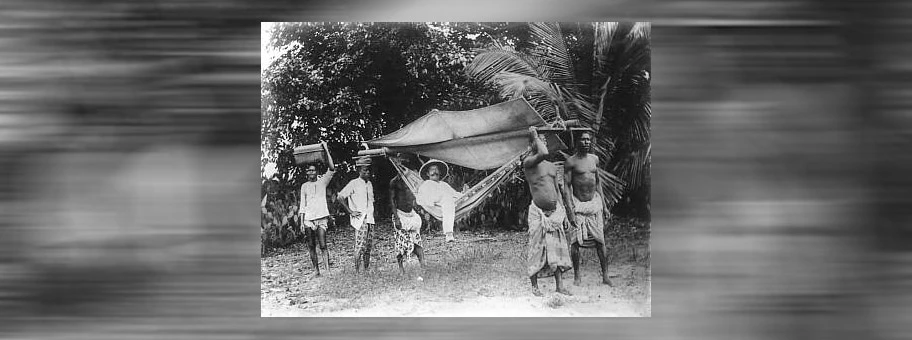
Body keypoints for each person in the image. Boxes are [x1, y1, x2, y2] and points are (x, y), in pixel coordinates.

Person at [522, 126, 572, 296]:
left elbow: (557, 190)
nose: (543, 143)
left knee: (557, 248)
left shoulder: (551, 166)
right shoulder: (528, 162)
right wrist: (535, 136)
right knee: (537, 248)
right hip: (538, 213)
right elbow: (542, 152)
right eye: (540, 141)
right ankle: (535, 287)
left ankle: (559, 286)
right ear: (533, 144)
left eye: (545, 141)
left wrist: (563, 212)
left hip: (555, 211)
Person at [563, 131, 613, 286]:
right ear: (577, 142)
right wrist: (570, 210)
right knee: (575, 243)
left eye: (588, 140)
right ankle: (577, 276)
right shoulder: (571, 162)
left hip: (594, 205)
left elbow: (598, 183)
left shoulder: (594, 159)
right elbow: (566, 187)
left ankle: (605, 276)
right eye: (583, 140)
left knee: (600, 242)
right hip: (578, 206)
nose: (586, 142)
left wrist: (604, 206)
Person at [298, 146, 336, 276]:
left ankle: (327, 270)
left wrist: (326, 149)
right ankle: (316, 270)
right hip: (309, 219)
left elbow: (332, 168)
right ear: (306, 173)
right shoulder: (304, 186)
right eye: (309, 170)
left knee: (323, 245)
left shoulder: (322, 182)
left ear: (316, 172)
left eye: (313, 170)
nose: (311, 172)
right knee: (311, 245)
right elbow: (302, 205)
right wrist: (302, 222)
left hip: (321, 218)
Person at [389, 154, 426, 275]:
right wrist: (397, 218)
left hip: (411, 213)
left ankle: (423, 266)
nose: (401, 166)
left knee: (417, 240)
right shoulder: (394, 182)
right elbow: (392, 201)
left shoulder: (411, 179)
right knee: (400, 244)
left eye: (403, 164)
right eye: (399, 164)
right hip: (400, 214)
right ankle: (401, 269)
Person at [336, 157, 375, 273]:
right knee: (360, 246)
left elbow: (371, 201)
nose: (367, 172)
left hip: (370, 219)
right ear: (359, 170)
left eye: (368, 170)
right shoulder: (354, 183)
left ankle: (366, 270)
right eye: (364, 170)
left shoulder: (370, 184)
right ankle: (357, 271)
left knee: (368, 246)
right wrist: (350, 211)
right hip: (360, 219)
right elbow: (340, 196)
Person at [416, 159, 460, 242]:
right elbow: (424, 199)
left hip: (447, 206)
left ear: (440, 173)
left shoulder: (444, 184)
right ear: (427, 174)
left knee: (449, 199)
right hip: (435, 206)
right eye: (432, 170)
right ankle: (449, 234)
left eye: (436, 170)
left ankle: (449, 234)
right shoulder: (426, 184)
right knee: (448, 199)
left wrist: (468, 195)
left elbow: (455, 194)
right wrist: (445, 197)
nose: (434, 172)